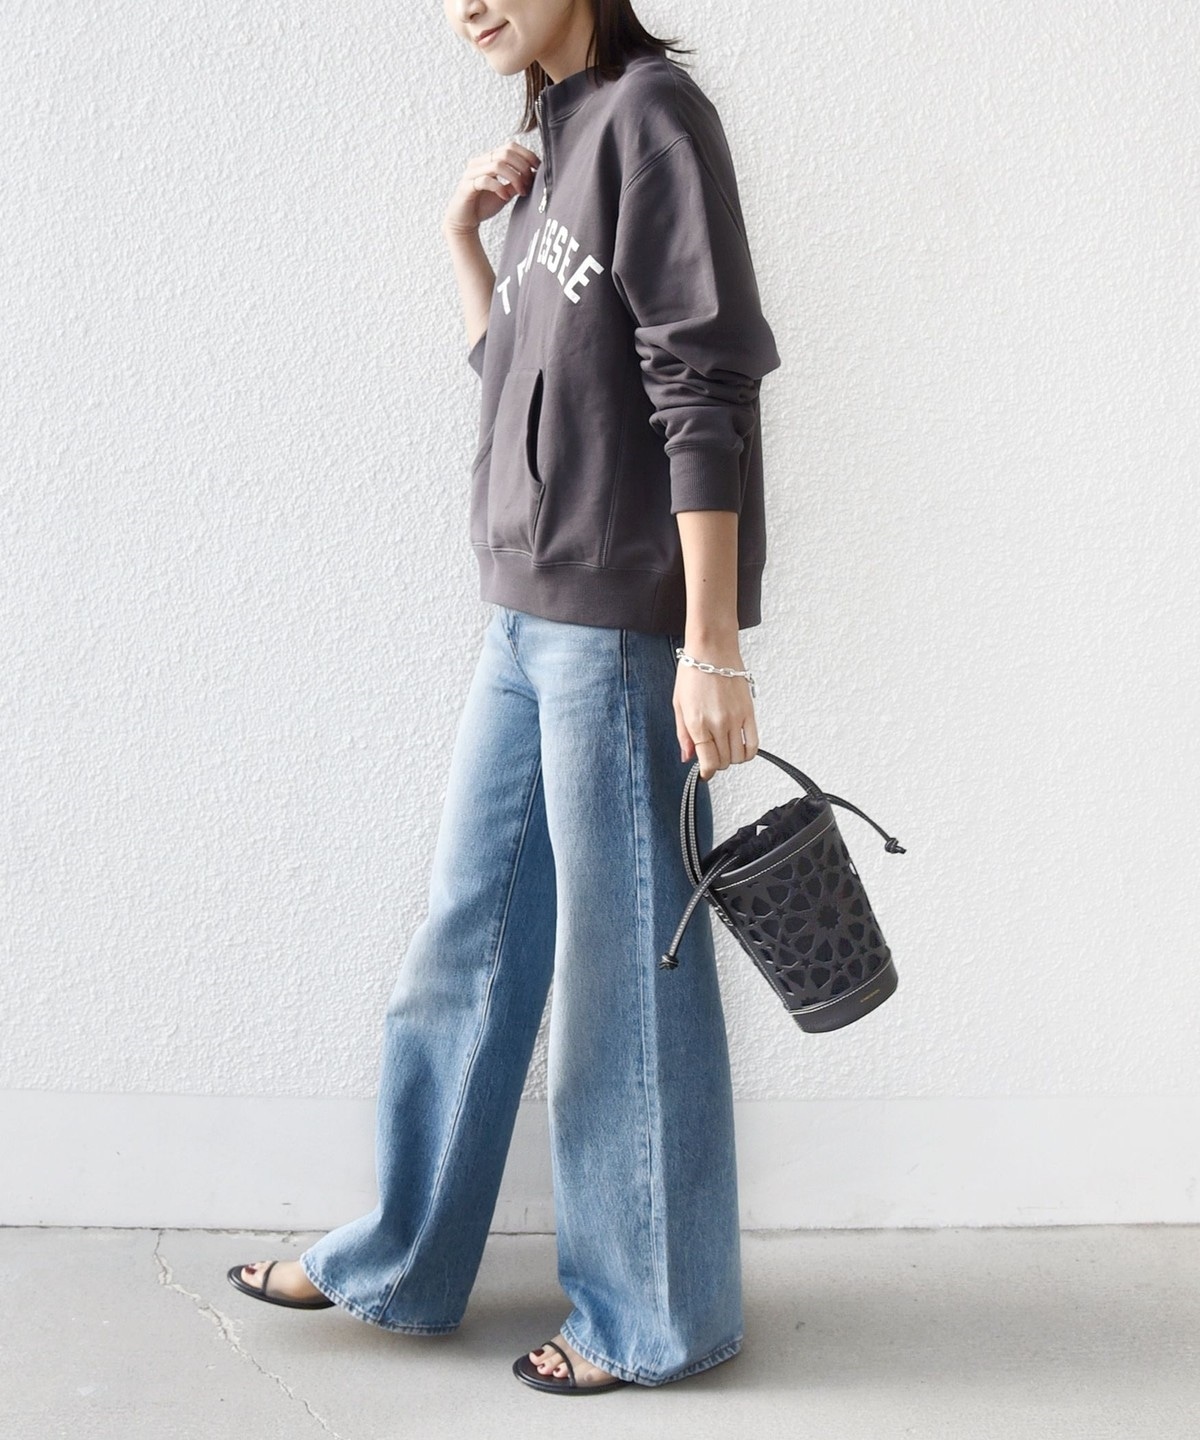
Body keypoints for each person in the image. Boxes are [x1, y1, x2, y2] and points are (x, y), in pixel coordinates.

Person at [226, 0, 781, 1395]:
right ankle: (403, 1257)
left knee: (624, 977)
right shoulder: (550, 135)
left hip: (619, 622)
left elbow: (703, 384)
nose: (465, 3)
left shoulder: (653, 119)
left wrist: (711, 640)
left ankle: (651, 1317)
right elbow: (522, 375)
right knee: (464, 945)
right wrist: (464, 245)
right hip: (525, 612)